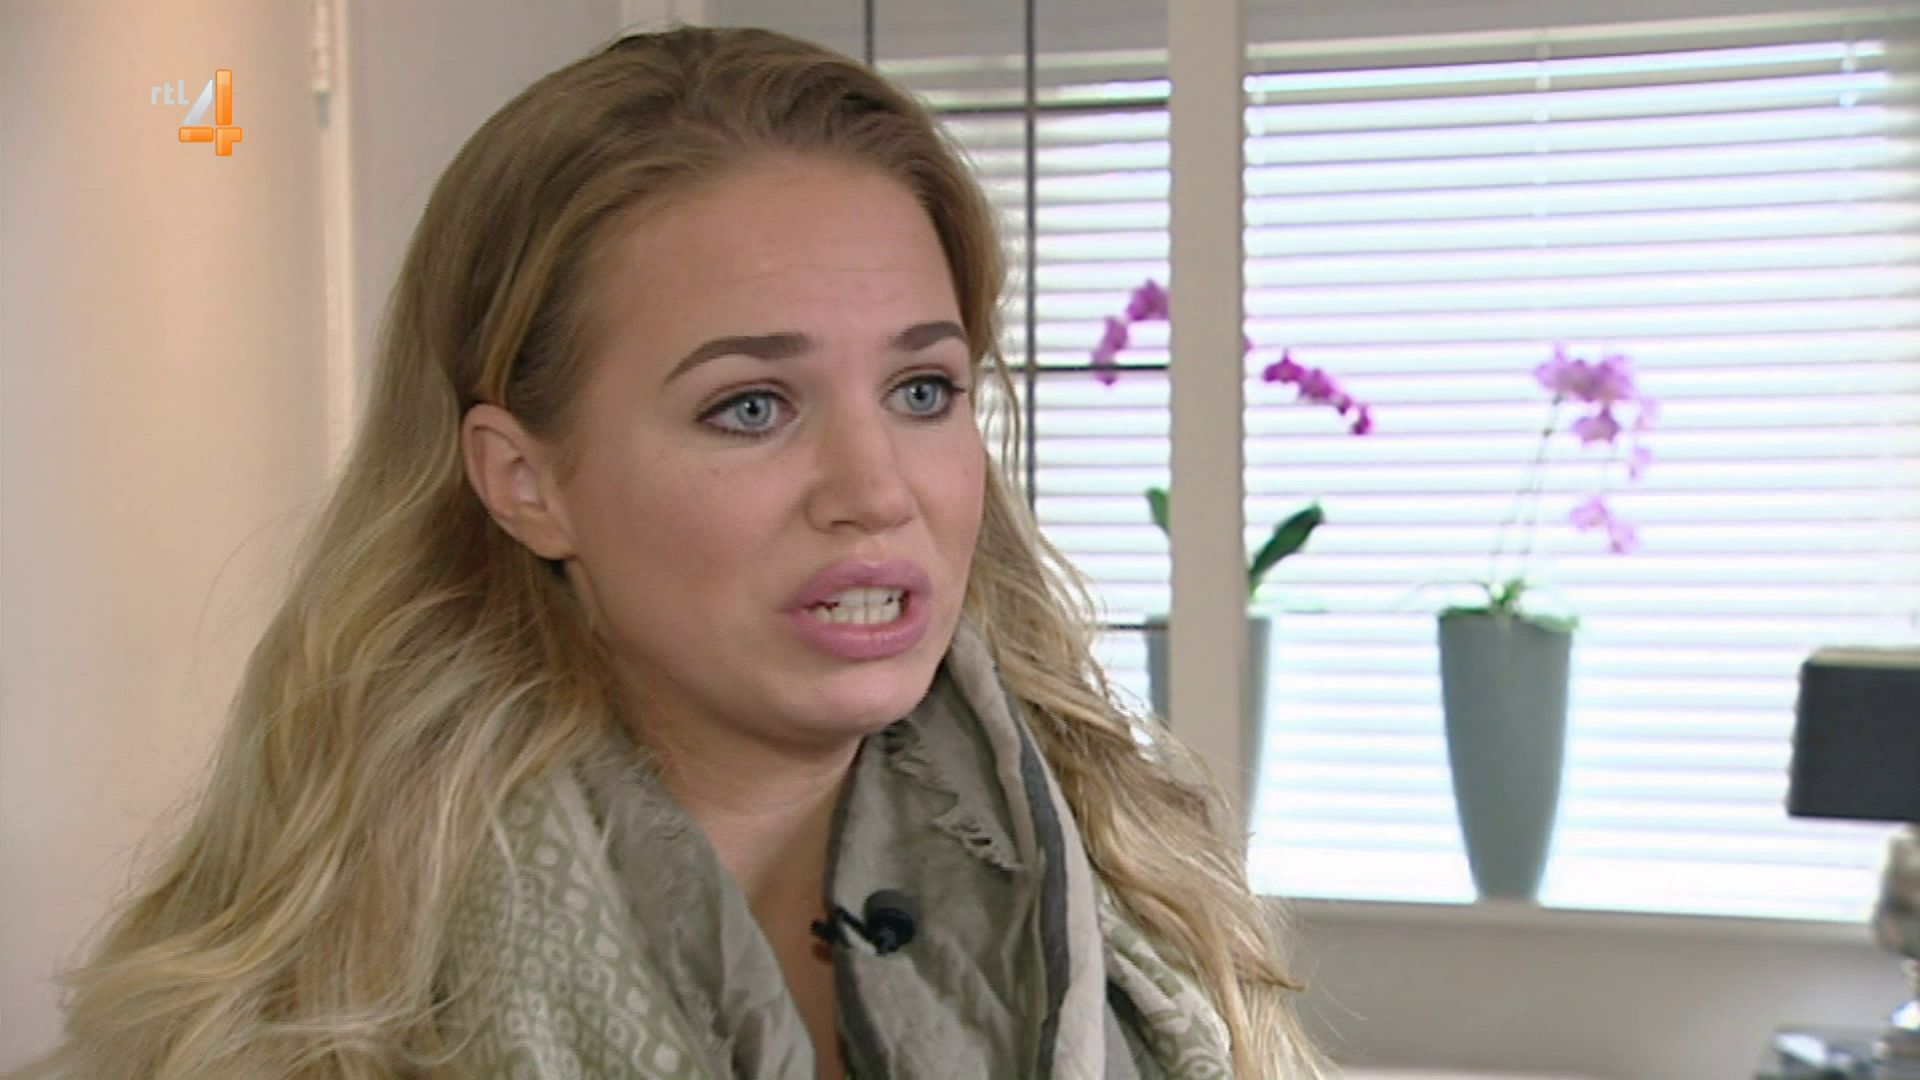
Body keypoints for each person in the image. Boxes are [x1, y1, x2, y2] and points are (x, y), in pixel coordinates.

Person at [16, 26, 1321, 1080]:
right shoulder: (291, 1016)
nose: (876, 492)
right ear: (526, 483)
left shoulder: (1143, 901)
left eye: (922, 391)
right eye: (751, 408)